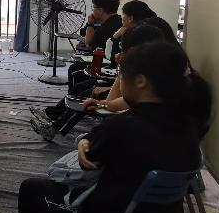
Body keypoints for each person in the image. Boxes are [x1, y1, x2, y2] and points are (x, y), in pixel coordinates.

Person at [0, 41, 209, 213]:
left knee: (32, 189)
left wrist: (83, 143)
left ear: (140, 81)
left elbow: (86, 163)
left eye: (122, 76)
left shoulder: (122, 128)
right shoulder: (189, 129)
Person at [29, 21, 173, 141]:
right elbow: (124, 100)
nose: (120, 53)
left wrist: (122, 70)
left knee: (88, 97)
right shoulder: (163, 72)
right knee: (84, 89)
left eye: (123, 49)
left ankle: (55, 126)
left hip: (137, 135)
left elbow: (121, 99)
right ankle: (55, 119)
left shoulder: (143, 80)